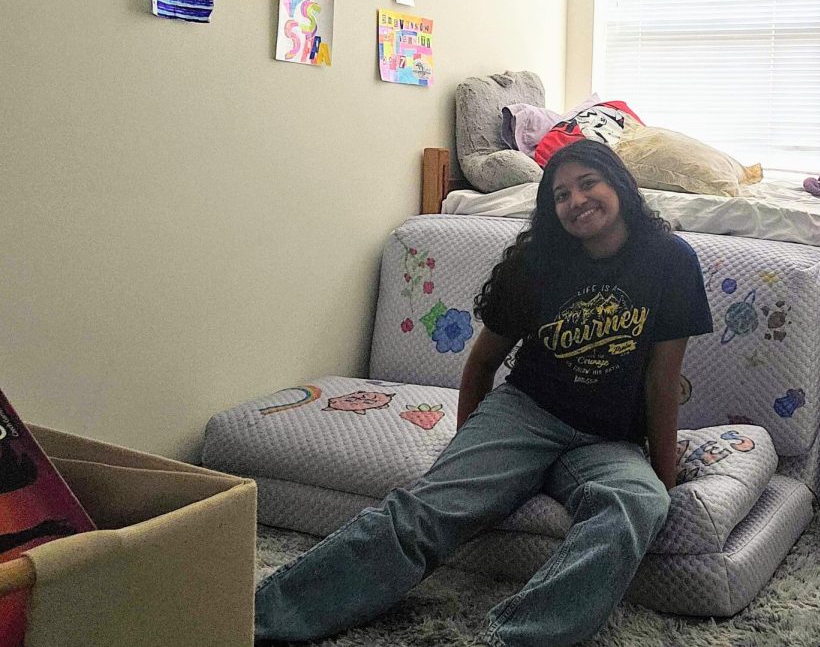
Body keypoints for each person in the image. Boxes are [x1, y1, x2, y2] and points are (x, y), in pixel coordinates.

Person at [253, 140, 713, 645]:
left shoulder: (671, 260)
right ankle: (260, 620)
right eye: (560, 195)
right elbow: (481, 364)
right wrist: (465, 447)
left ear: (618, 184)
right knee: (424, 510)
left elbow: (662, 381)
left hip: (610, 441)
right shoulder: (538, 263)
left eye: (588, 183)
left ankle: (516, 637)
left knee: (638, 504)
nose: (576, 200)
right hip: (526, 415)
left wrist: (664, 482)